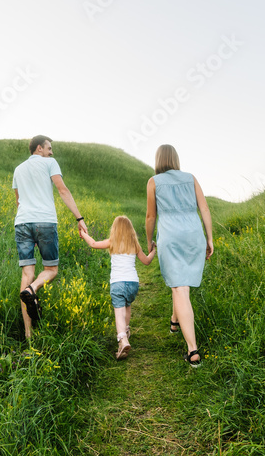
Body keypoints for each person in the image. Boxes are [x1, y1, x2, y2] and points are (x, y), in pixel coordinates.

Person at [13, 135, 89, 339]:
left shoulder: (18, 169)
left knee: (26, 274)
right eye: (49, 148)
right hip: (45, 222)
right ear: (39, 148)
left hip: (21, 222)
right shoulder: (49, 163)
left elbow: (18, 200)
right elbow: (62, 190)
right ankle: (33, 290)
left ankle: (29, 335)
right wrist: (79, 218)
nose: (51, 152)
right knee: (51, 270)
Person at [145, 144, 213, 367]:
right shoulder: (190, 178)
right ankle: (174, 321)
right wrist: (209, 238)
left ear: (158, 160)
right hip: (194, 235)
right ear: (175, 159)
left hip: (171, 237)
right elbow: (204, 209)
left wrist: (149, 240)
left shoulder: (154, 182)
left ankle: (193, 350)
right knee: (181, 286)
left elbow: (150, 216)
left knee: (179, 288)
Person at [80, 215, 157, 360]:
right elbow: (146, 261)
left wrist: (83, 234)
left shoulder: (112, 242)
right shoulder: (134, 244)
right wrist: (153, 251)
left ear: (115, 229)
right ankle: (126, 331)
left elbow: (93, 243)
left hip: (118, 283)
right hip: (133, 283)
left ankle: (122, 340)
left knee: (118, 310)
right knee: (127, 306)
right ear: (130, 231)